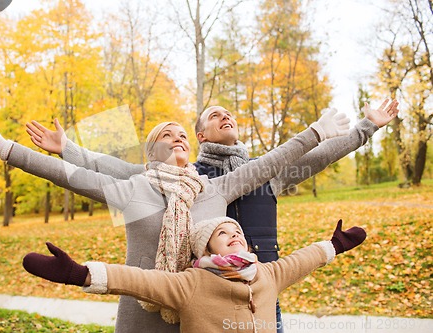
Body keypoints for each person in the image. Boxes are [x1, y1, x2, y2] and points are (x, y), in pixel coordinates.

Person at [26, 99, 398, 332]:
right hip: (198, 295)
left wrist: (367, 127)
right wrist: (68, 149)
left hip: (260, 288)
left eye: (229, 113)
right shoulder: (184, 179)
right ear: (201, 135)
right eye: (214, 115)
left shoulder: (265, 172)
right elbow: (111, 169)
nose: (226, 116)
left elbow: (319, 155)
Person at [0, 113, 347, 332]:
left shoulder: (214, 190)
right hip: (142, 316)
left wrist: (314, 133)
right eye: (167, 135)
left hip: (205, 318)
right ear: (150, 151)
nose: (177, 138)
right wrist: (7, 149)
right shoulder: (134, 189)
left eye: (182, 135)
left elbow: (272, 162)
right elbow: (66, 175)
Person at [22, 217, 366, 333]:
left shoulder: (267, 274)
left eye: (237, 230)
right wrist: (78, 273)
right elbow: (136, 280)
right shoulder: (191, 282)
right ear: (207, 251)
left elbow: (304, 259)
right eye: (223, 233)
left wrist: (335, 244)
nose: (234, 234)